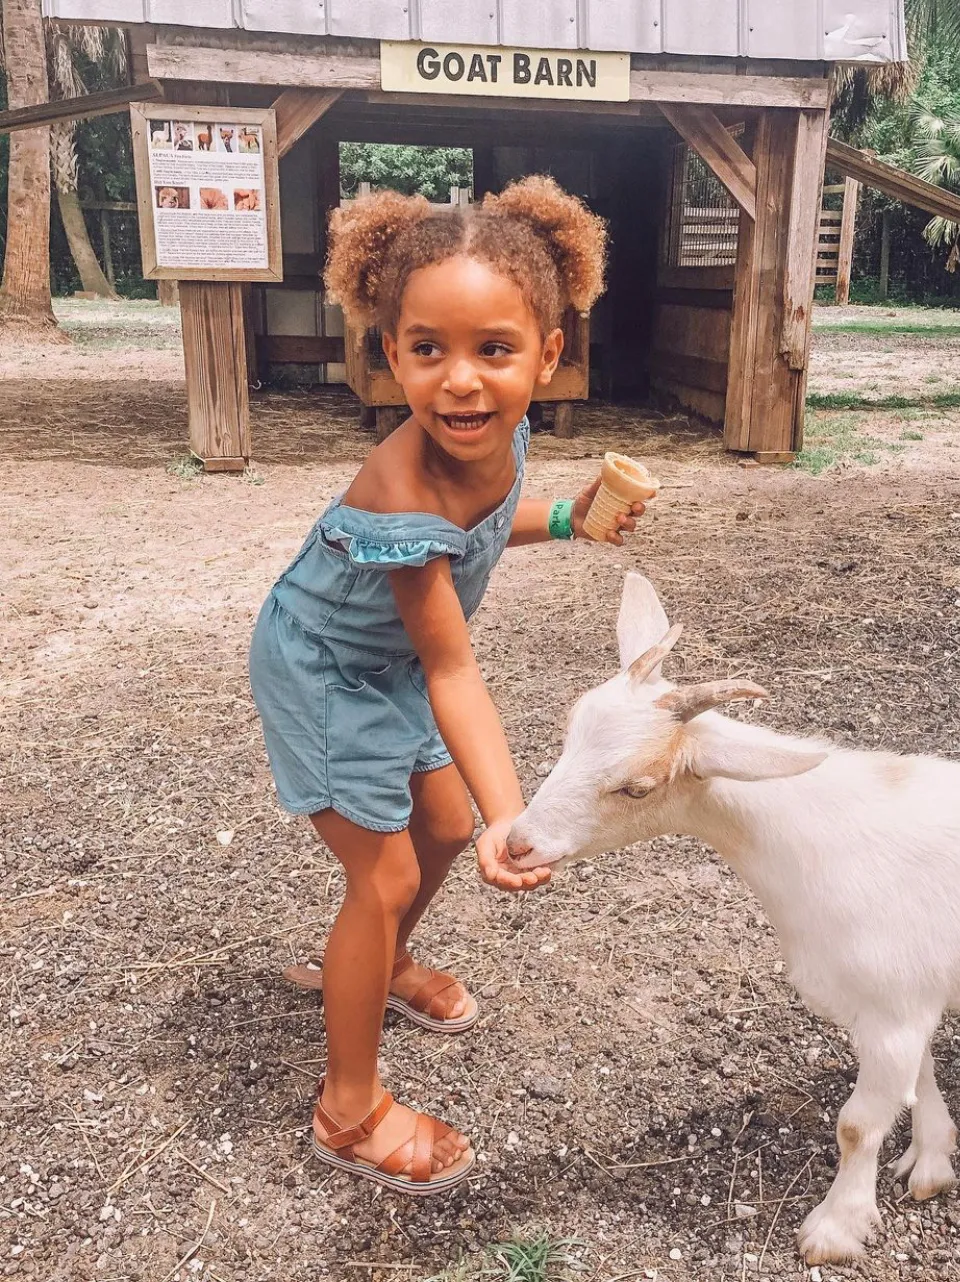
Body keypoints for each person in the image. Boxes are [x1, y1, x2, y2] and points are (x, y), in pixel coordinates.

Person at [248, 176, 647, 1195]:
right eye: (428, 350)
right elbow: (451, 663)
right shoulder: (403, 480)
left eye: (493, 350)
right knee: (380, 873)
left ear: (548, 355)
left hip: (385, 664)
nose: (460, 381)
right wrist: (511, 816)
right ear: (391, 354)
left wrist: (565, 519)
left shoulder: (497, 438)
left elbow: (493, 509)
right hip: (324, 668)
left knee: (434, 824)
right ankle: (347, 1110)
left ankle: (377, 966)